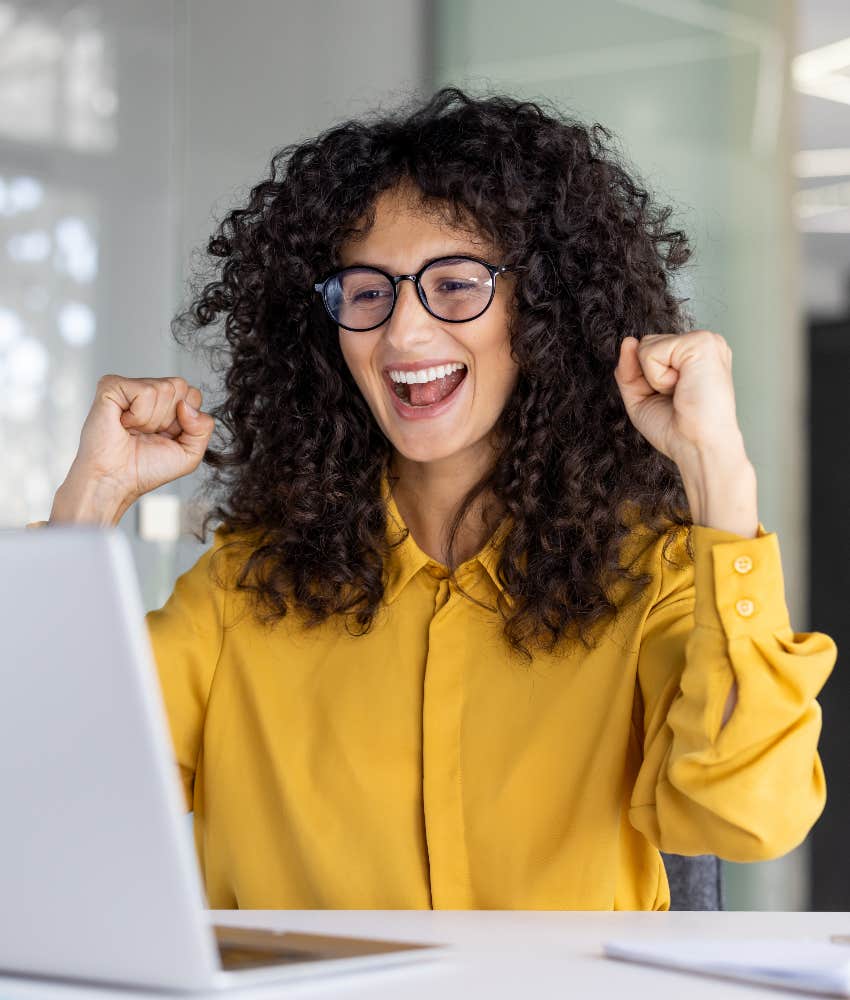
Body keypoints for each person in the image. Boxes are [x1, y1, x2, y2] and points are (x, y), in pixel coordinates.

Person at [28, 87, 837, 910]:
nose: (404, 335)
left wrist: (720, 477)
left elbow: (747, 815)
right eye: (369, 292)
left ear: (545, 309)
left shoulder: (653, 579)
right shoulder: (246, 587)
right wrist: (88, 501)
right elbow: (52, 791)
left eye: (455, 285)